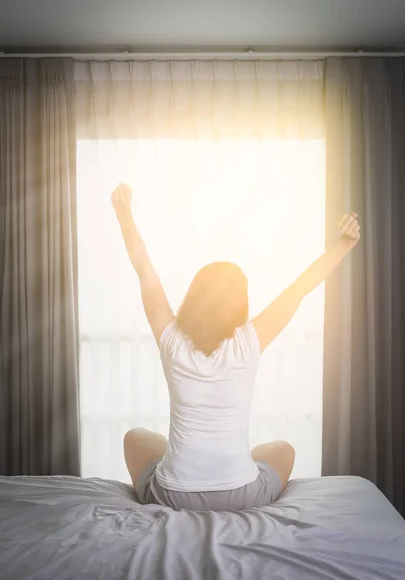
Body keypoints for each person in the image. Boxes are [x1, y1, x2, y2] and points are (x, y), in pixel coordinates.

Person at [111, 182, 361, 512]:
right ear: (239, 304)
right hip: (241, 493)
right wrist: (345, 244)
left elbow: (144, 270)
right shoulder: (249, 340)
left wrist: (124, 213)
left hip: (171, 495)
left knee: (136, 437)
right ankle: (237, 469)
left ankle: (189, 472)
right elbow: (299, 289)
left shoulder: (170, 339)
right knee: (282, 449)